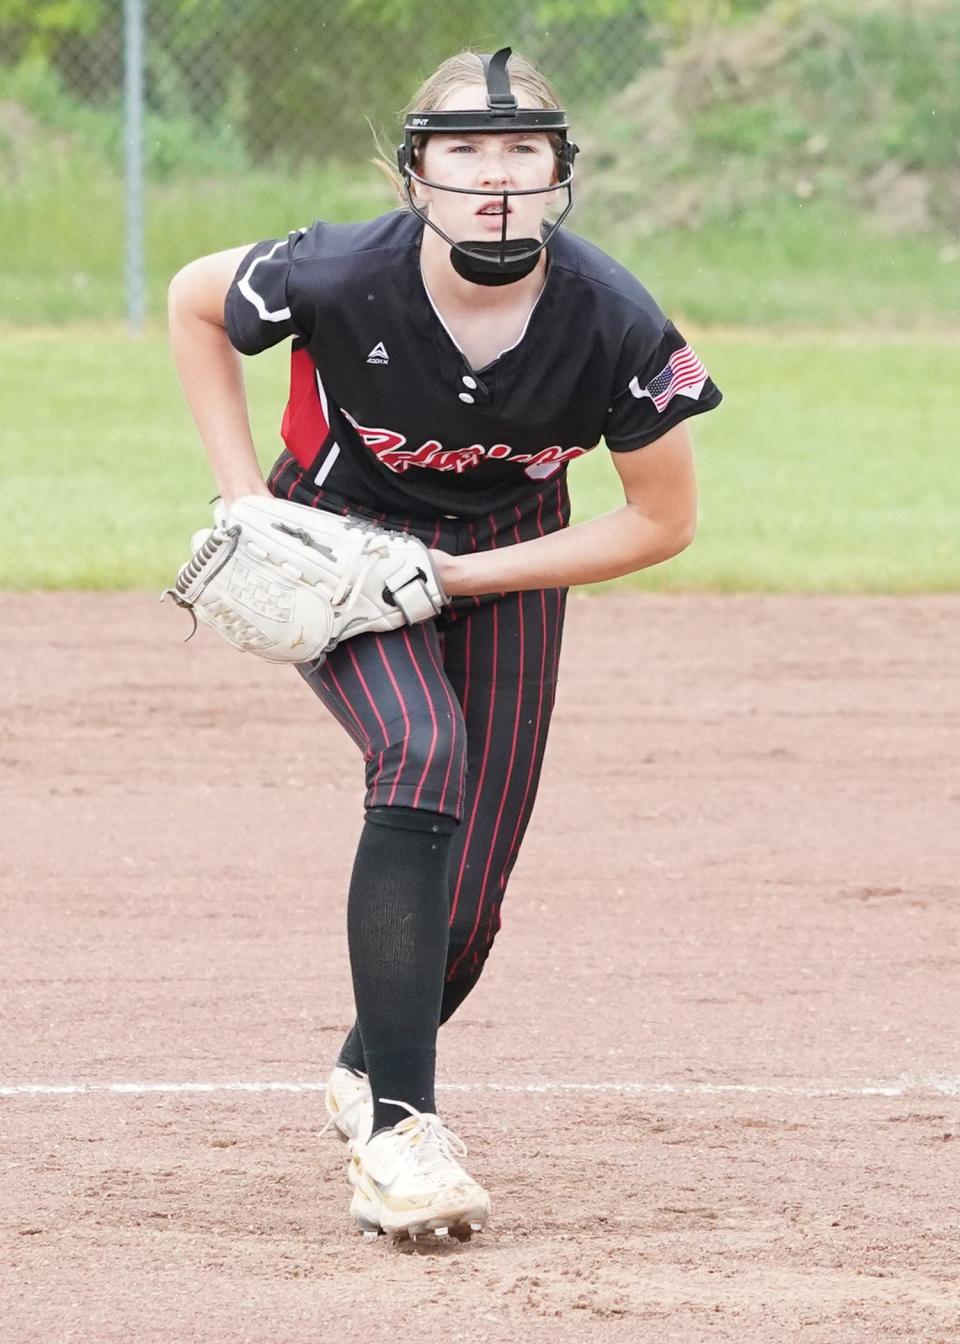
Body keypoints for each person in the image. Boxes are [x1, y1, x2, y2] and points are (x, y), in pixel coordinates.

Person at [167, 47, 722, 1243]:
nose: (495, 177)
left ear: (562, 171)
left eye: (523, 149)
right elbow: (195, 300)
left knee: (469, 911)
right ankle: (401, 1142)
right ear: (412, 170)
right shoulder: (341, 271)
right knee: (420, 754)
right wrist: (239, 499)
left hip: (509, 559)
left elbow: (663, 521)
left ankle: (371, 1068)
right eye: (464, 149)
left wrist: (458, 576)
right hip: (339, 559)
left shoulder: (613, 318)